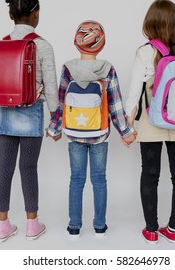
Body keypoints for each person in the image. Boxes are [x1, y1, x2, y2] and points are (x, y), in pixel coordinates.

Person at [47, 20, 136, 237]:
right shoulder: (107, 69)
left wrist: (54, 129)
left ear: (76, 44)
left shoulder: (68, 68)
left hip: (74, 135)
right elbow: (115, 104)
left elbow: (60, 102)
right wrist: (126, 132)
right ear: (102, 45)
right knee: (99, 180)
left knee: (76, 180)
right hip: (100, 135)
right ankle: (99, 225)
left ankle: (74, 225)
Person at [125, 0, 175, 244]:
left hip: (151, 121)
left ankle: (152, 230)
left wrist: (128, 126)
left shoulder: (145, 51)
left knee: (150, 174)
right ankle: (174, 229)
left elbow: (135, 92)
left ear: (150, 22)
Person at [0, 0, 58, 243]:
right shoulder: (43, 45)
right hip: (31, 112)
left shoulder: (2, 44)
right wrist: (56, 121)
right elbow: (50, 87)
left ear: (11, 15)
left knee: (4, 167)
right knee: (29, 167)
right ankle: (32, 225)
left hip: (5, 112)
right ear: (36, 14)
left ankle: (2, 227)